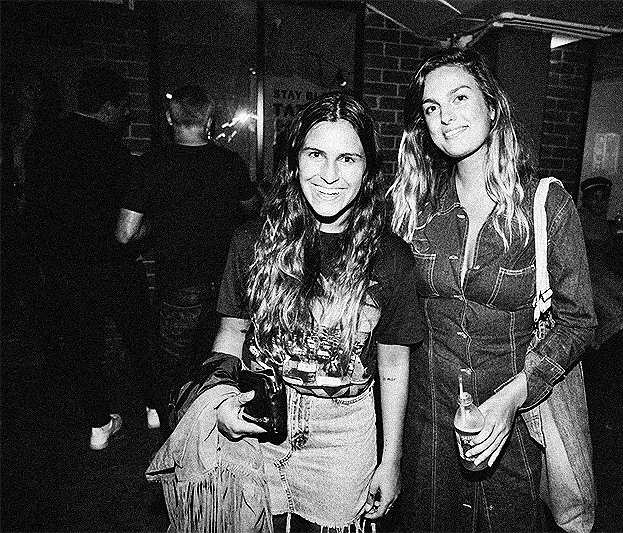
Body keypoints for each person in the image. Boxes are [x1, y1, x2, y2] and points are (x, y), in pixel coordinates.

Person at [145, 92, 424, 532]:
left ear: (368, 169)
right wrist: (222, 401)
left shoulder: (390, 258)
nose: (329, 175)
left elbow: (392, 363)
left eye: (348, 159)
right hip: (258, 428)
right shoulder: (251, 241)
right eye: (315, 155)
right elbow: (232, 332)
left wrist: (391, 460)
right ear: (294, 161)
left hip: (341, 443)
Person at [389, 48, 596, 532]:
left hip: (516, 426)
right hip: (429, 425)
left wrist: (512, 398)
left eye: (460, 98)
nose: (446, 117)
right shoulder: (414, 205)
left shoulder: (544, 203)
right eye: (432, 108)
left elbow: (578, 321)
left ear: (491, 104)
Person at [24, 64, 155, 450]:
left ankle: (99, 426)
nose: (127, 116)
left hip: (64, 264)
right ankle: (154, 408)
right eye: (124, 108)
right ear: (109, 106)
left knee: (84, 346)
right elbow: (126, 221)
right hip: (112, 261)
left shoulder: (42, 141)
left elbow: (34, 209)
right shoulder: (112, 149)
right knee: (139, 336)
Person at [117, 85, 260, 434]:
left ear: (170, 118)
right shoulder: (229, 163)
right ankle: (212, 433)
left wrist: (163, 221)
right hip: (227, 286)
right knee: (221, 365)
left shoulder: (150, 164)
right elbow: (254, 208)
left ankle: (176, 434)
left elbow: (124, 233)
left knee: (172, 370)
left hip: (180, 284)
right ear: (209, 120)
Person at [578, 176, 623, 347]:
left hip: (602, 275)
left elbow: (612, 254)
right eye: (595, 197)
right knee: (616, 317)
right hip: (585, 279)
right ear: (585, 199)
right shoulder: (578, 218)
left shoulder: (602, 222)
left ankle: (593, 333)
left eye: (603, 198)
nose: (600, 202)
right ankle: (588, 349)